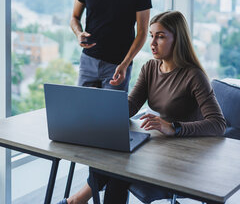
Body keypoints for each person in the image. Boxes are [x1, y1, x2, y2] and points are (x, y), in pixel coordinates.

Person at [58, 11, 226, 204]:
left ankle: (76, 201)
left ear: (178, 39)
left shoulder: (194, 76)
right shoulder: (150, 68)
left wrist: (173, 128)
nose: (152, 43)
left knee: (119, 170)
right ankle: (77, 200)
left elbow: (218, 124)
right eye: (152, 36)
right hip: (161, 149)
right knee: (113, 162)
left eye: (160, 37)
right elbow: (132, 105)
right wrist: (104, 106)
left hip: (186, 158)